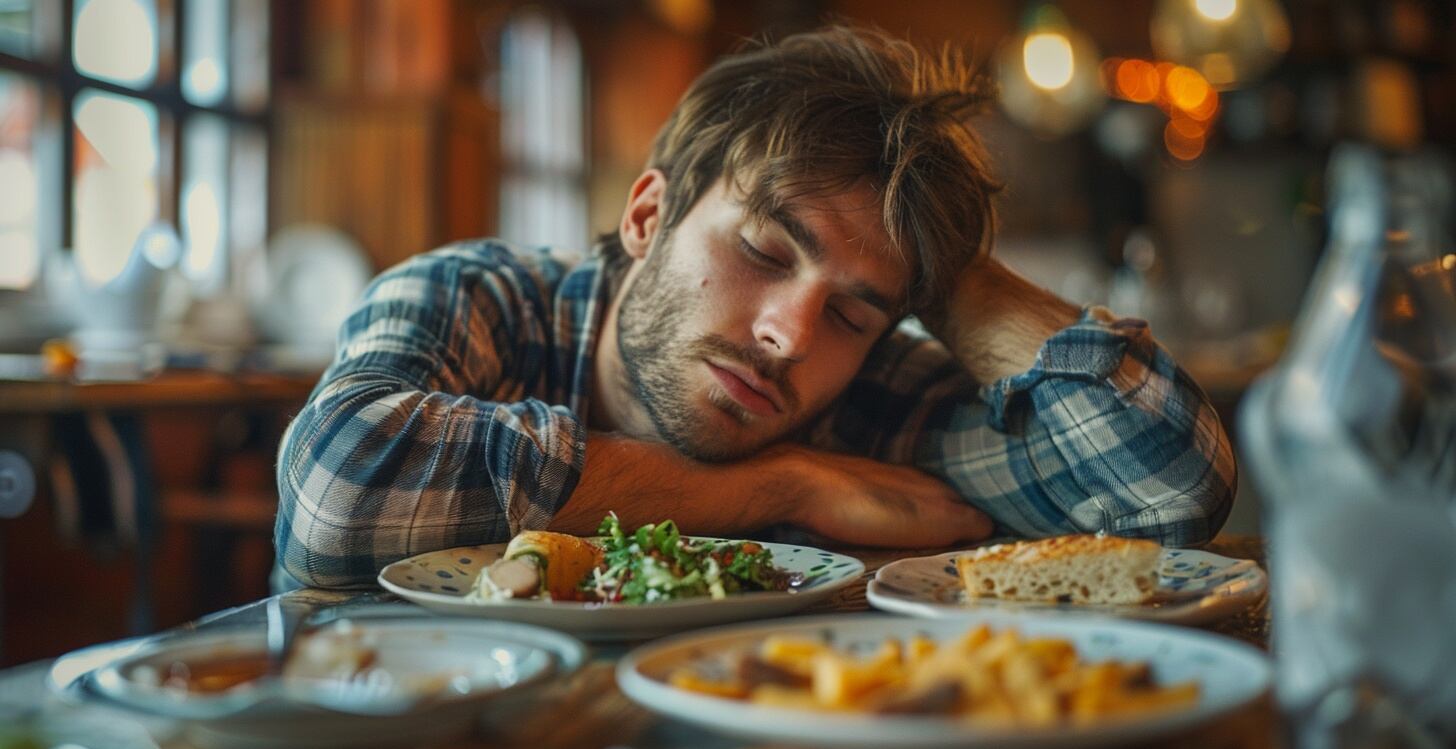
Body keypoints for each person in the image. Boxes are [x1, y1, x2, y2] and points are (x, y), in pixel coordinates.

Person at [273, 26, 1235, 588]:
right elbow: (338, 489)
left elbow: (1168, 493)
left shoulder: (864, 392)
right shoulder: (477, 297)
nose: (790, 334)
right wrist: (780, 489)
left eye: (857, 312)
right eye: (765, 250)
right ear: (649, 215)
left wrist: (946, 272)